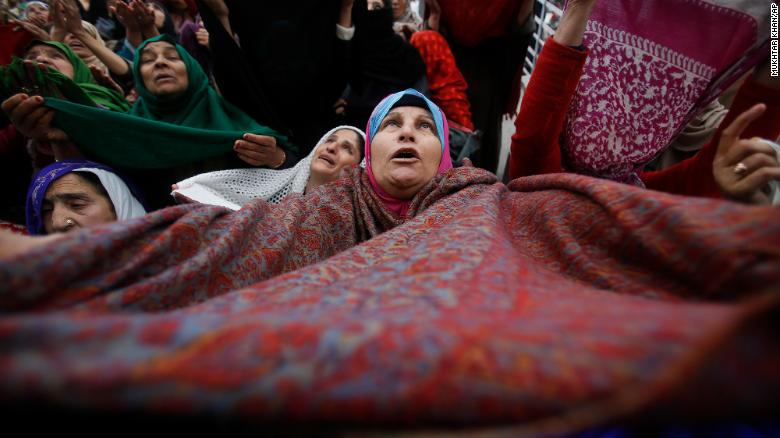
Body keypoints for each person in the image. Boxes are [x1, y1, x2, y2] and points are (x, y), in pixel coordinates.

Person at [0, 87, 778, 433]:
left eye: (422, 125)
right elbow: (206, 248)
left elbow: (605, 227)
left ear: (445, 152)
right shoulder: (312, 215)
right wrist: (36, 265)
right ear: (367, 157)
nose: (406, 134)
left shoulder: (495, 200)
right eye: (390, 126)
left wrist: (714, 197)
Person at [173, 126, 365, 208]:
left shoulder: (351, 218)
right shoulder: (266, 187)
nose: (331, 147)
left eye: (347, 148)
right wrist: (193, 189)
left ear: (358, 169)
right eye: (329, 140)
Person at [26, 159, 147, 235]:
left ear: (118, 205)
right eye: (46, 210)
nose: (57, 223)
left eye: (76, 205)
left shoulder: (163, 265)